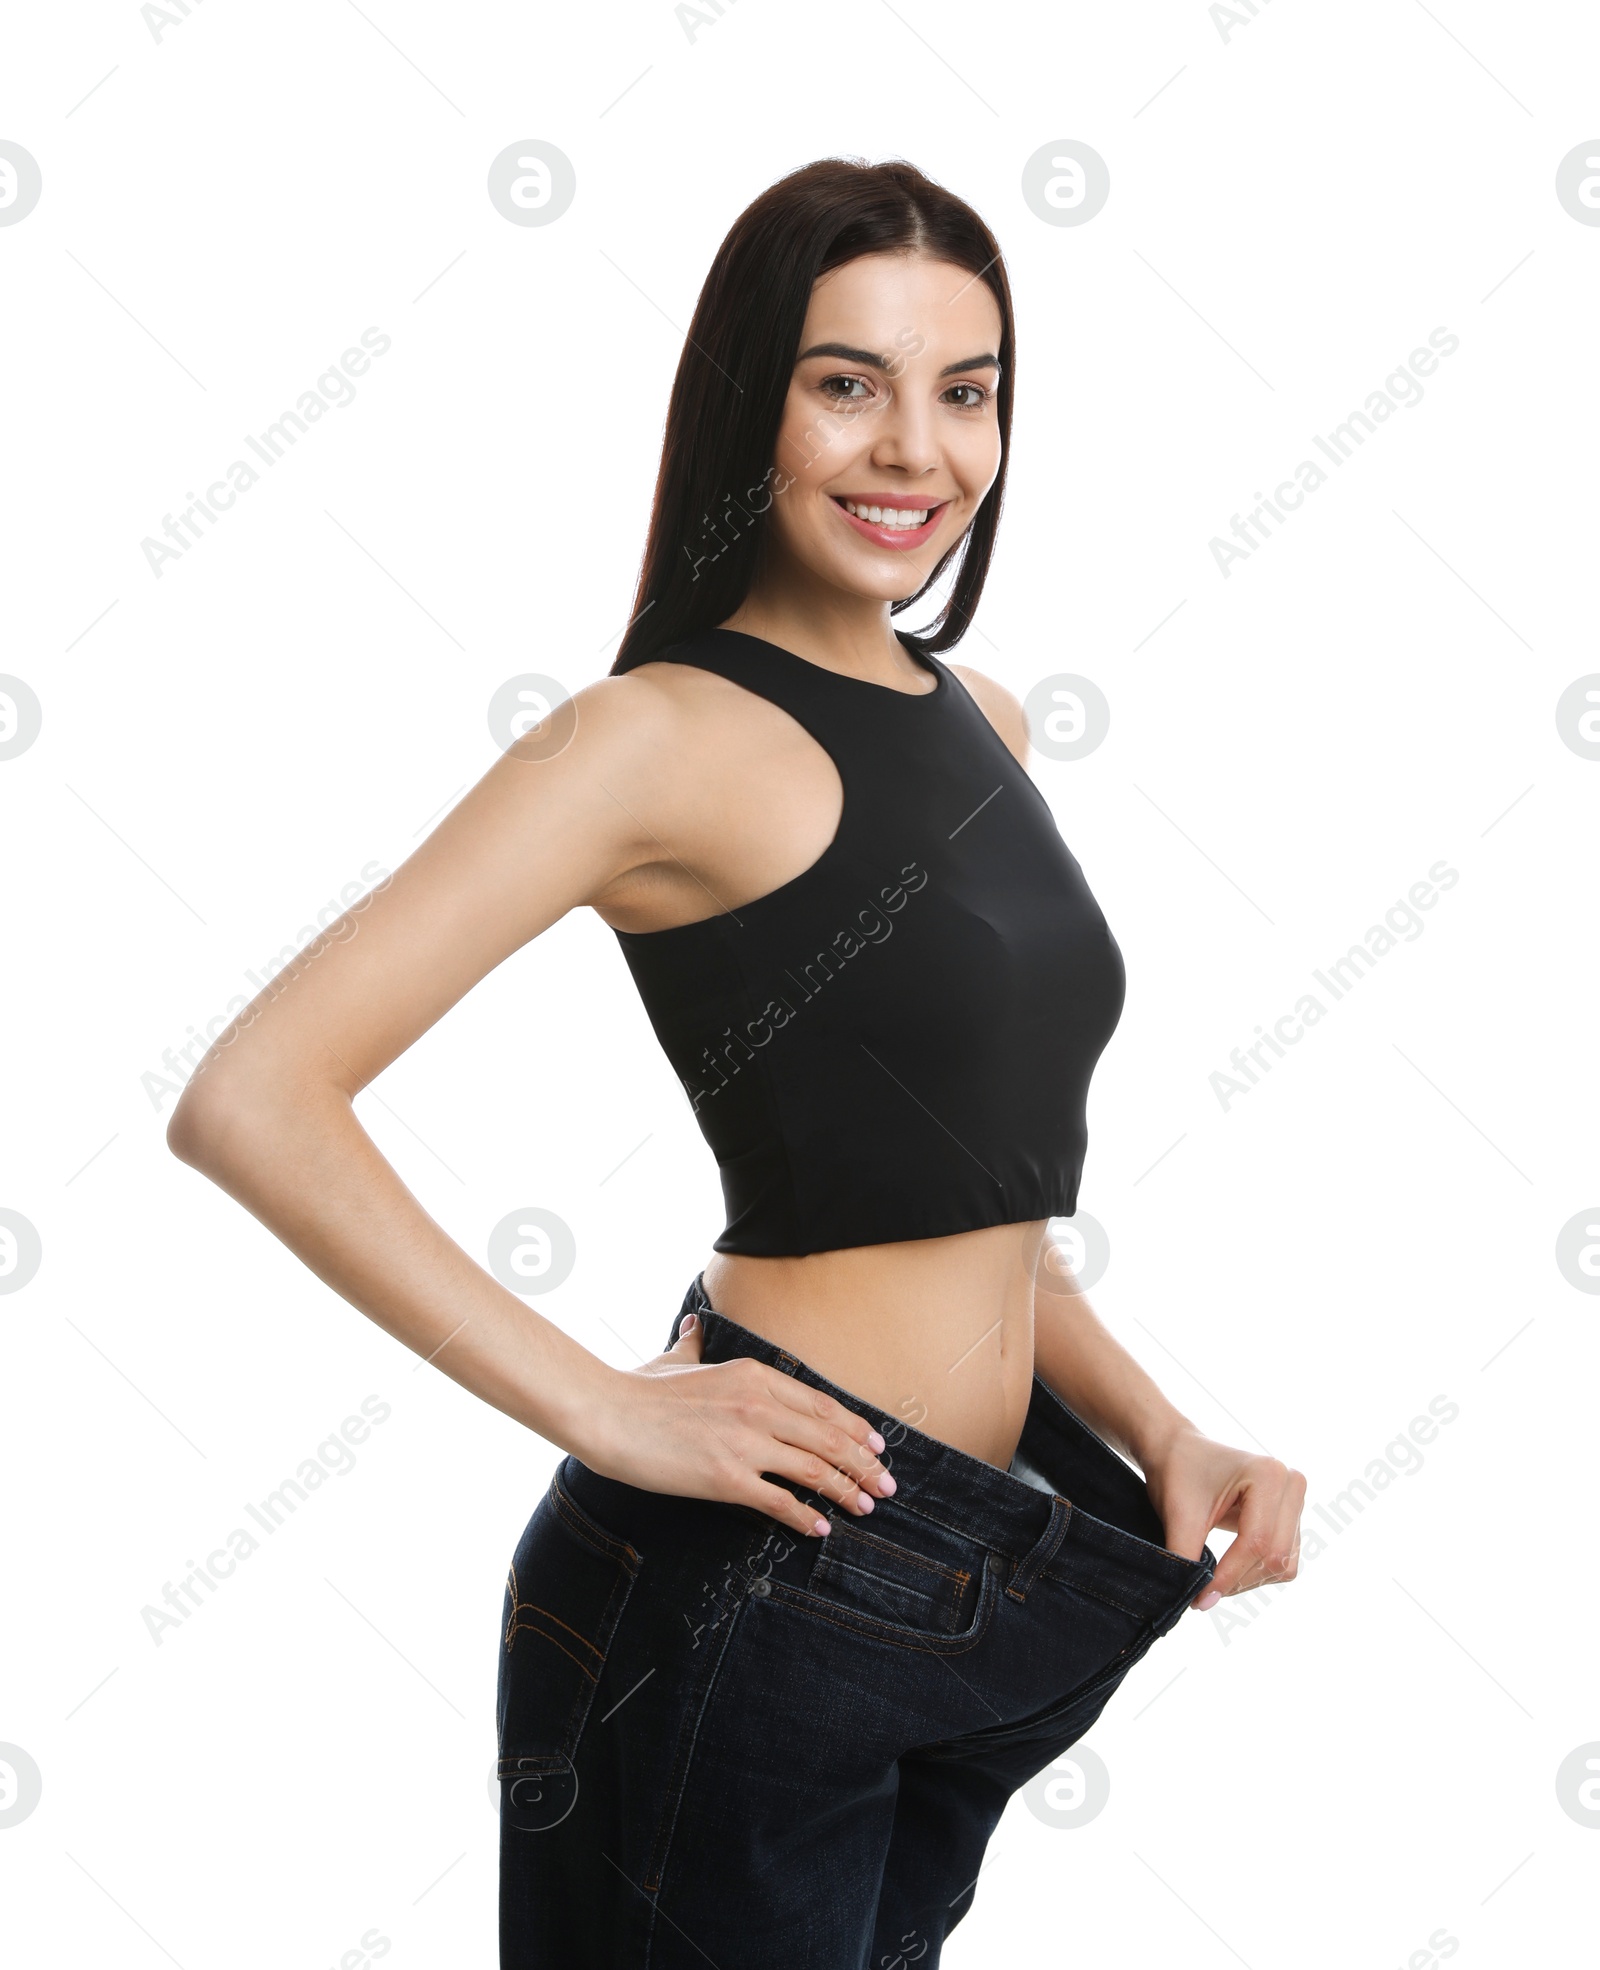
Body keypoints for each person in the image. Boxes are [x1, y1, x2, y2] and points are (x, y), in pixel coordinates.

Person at [168, 156, 1306, 1969]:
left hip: (965, 1572)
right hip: (747, 1588)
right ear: (748, 400)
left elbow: (964, 1196)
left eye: (967, 389)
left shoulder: (981, 717)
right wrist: (596, 1401)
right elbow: (251, 1093)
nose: (914, 450)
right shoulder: (650, 741)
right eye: (847, 381)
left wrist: (1163, 1426)